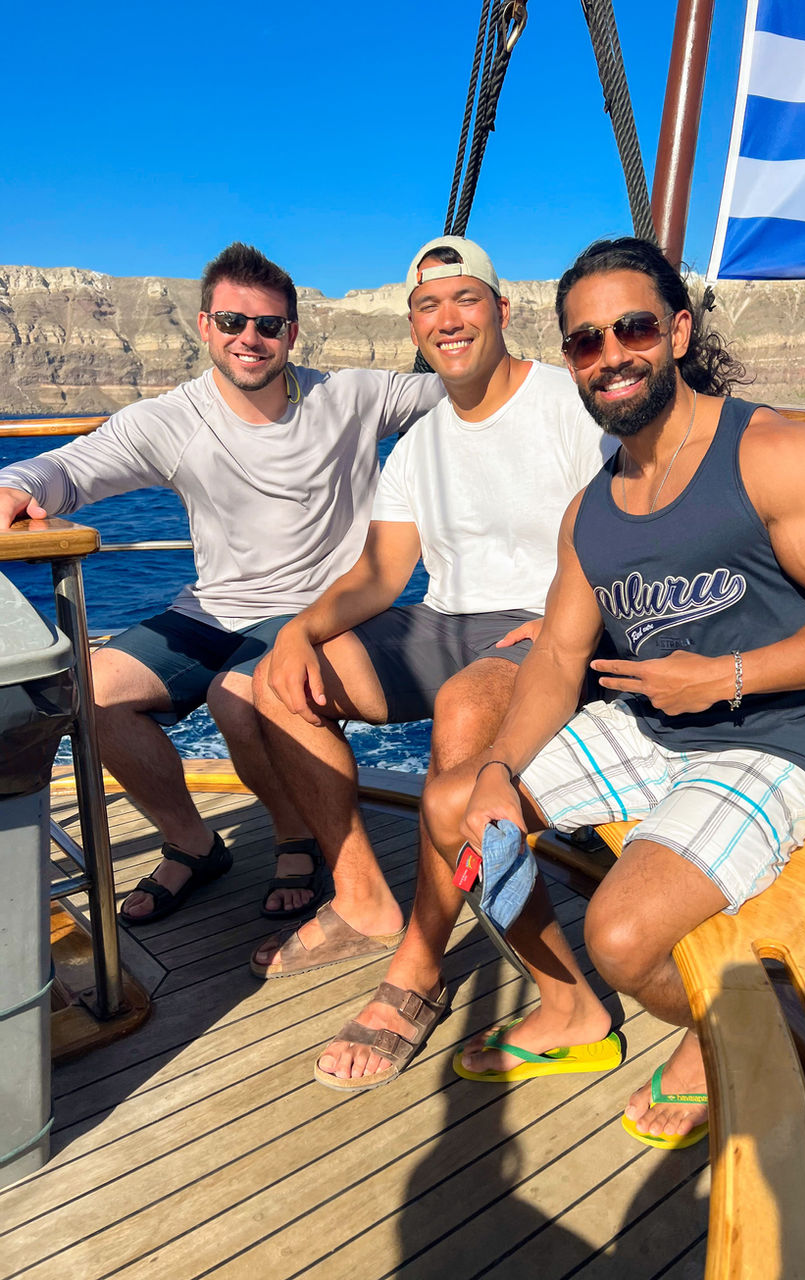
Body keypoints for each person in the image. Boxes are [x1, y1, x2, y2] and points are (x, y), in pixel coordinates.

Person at [422, 236, 805, 1145]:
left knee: (623, 938)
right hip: (646, 730)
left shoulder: (772, 453)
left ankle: (729, 1026)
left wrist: (726, 677)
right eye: (585, 341)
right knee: (459, 803)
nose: (610, 354)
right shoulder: (595, 508)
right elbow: (554, 661)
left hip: (766, 744)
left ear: (680, 332)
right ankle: (570, 1009)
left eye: (633, 328)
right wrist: (500, 767)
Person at [249, 235, 612, 1090]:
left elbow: (626, 517)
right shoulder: (420, 442)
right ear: (413, 325)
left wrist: (571, 617)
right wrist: (300, 632)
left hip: (549, 624)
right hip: (446, 619)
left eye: (465, 299)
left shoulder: (568, 403)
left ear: (500, 309)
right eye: (427, 306)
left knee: (462, 710)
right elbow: (381, 573)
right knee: (274, 679)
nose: (447, 319)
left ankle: (417, 966)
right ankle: (365, 895)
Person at [0, 242, 442, 925]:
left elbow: (465, 389)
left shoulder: (350, 396)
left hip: (315, 610)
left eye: (268, 325)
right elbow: (72, 467)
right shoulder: (172, 418)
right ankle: (194, 843)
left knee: (239, 697)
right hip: (211, 609)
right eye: (232, 322)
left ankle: (296, 839)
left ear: (292, 333)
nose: (250, 338)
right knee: (89, 690)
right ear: (204, 325)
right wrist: (14, 483)